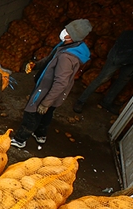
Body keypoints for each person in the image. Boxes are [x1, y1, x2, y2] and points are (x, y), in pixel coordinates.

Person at [11, 19, 92, 148]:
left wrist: (45, 102)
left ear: (75, 38)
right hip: (54, 92)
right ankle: (40, 135)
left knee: (32, 113)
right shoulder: (67, 46)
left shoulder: (67, 58)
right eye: (66, 30)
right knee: (47, 114)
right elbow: (50, 59)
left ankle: (20, 139)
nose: (64, 33)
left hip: (48, 90)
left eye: (69, 34)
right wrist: (36, 65)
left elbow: (61, 82)